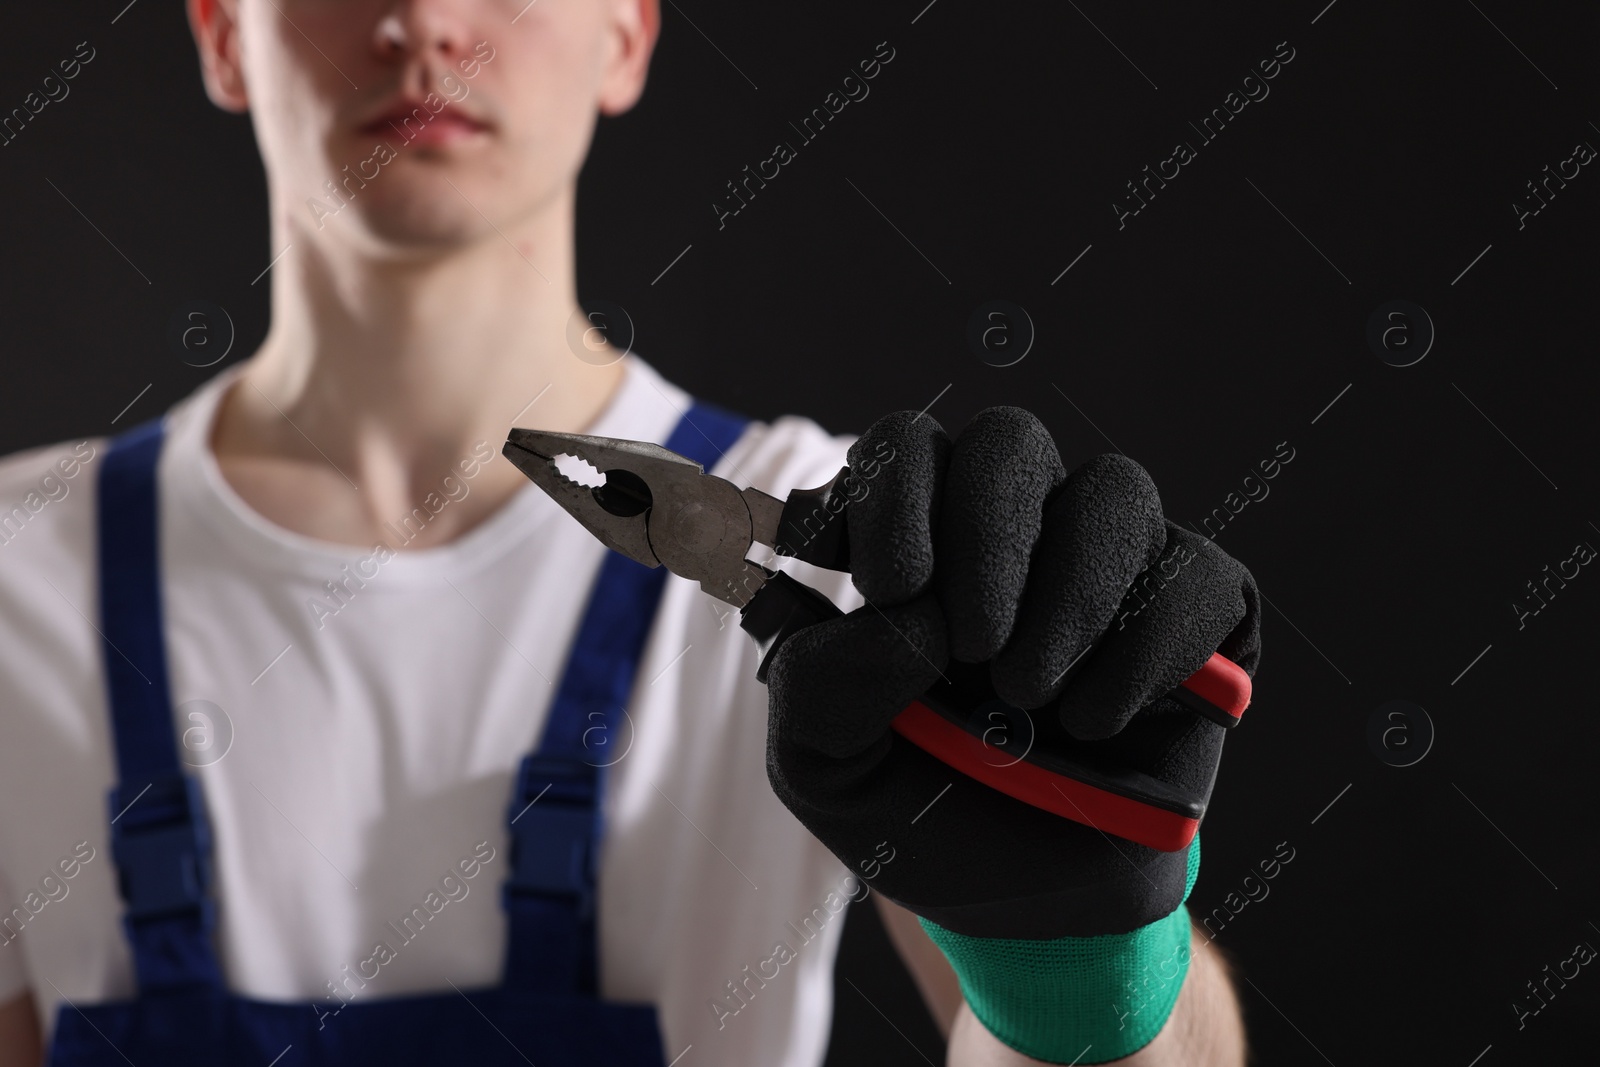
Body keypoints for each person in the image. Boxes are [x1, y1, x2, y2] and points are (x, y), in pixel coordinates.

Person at [0, 1, 1257, 1063]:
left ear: (626, 31)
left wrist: (1083, 959)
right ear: (222, 31)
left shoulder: (874, 561)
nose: (423, 23)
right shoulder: (16, 578)